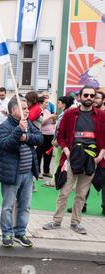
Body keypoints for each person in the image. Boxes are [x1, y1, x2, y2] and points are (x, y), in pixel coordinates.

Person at [43, 86, 105, 234]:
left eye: (92, 95)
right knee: (64, 191)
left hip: (91, 159)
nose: (89, 98)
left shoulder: (101, 115)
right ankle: (56, 221)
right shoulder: (70, 114)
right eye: (86, 95)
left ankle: (76, 223)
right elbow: (61, 135)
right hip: (71, 158)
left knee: (81, 193)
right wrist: (67, 152)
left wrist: (100, 155)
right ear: (80, 97)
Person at [0, 97, 43, 247]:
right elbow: (5, 145)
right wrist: (18, 131)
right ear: (13, 110)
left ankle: (20, 233)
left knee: (25, 206)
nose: (27, 111)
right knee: (8, 206)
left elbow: (40, 138)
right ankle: (6, 233)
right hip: (12, 174)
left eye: (27, 108)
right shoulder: (5, 126)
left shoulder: (28, 123)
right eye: (23, 108)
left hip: (28, 173)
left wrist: (26, 136)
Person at [36, 96, 57, 178]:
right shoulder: (38, 111)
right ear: (41, 103)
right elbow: (41, 122)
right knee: (39, 153)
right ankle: (37, 172)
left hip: (50, 135)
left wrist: (54, 119)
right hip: (42, 134)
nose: (47, 104)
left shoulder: (47, 111)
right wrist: (50, 117)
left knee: (48, 153)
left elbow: (52, 122)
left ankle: (46, 171)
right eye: (46, 102)